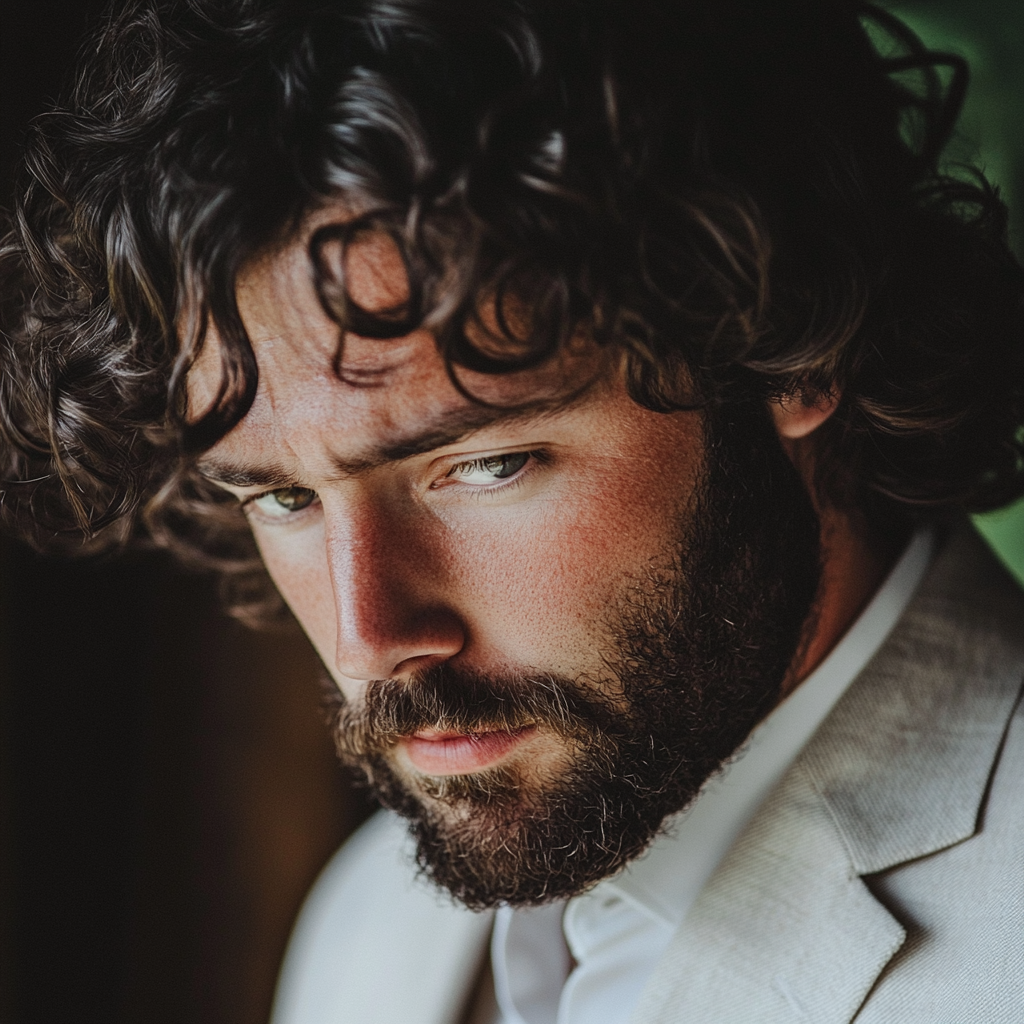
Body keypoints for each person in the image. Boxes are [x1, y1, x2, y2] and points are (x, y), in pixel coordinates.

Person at [1, 0, 1022, 1021]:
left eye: (487, 465)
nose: (371, 643)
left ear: (794, 348)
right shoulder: (371, 924)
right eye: (281, 495)